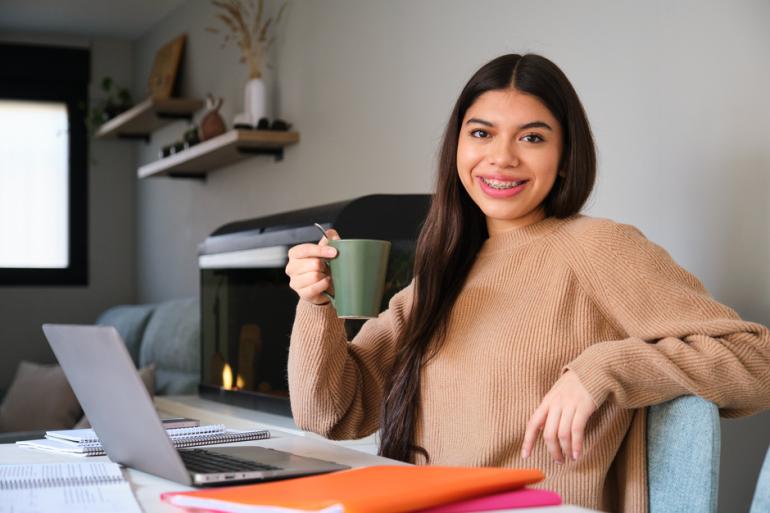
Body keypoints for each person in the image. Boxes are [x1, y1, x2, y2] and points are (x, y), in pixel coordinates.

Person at [283, 53, 770, 512]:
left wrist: (604, 370)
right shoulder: (442, 274)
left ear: (564, 156)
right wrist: (315, 303)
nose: (502, 157)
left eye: (532, 138)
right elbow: (331, 413)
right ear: (458, 145)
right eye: (481, 133)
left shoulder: (598, 247)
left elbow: (759, 362)